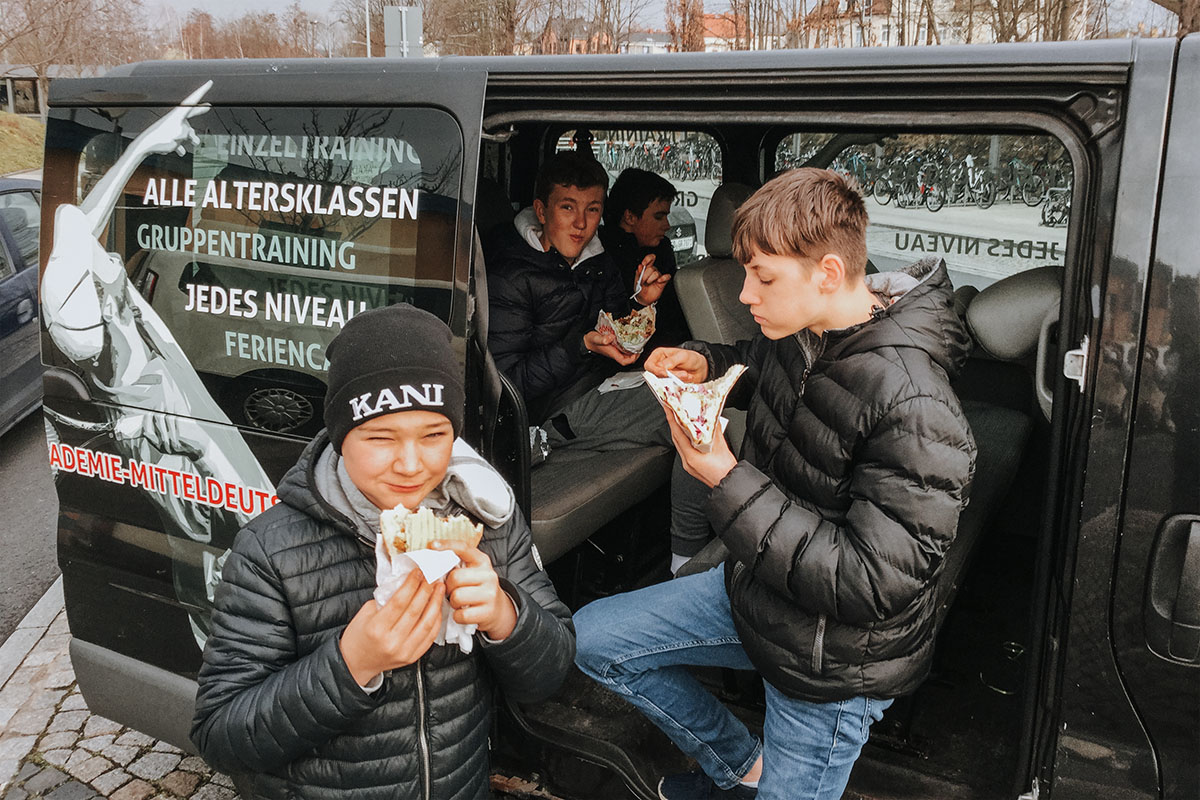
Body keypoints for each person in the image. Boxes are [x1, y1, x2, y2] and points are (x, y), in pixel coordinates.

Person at [573, 168, 977, 800]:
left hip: (831, 659)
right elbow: (763, 367)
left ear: (828, 273)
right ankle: (739, 765)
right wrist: (706, 361)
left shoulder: (915, 405)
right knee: (595, 640)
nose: (746, 294)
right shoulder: (806, 331)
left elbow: (872, 582)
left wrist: (723, 478)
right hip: (756, 589)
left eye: (762, 278)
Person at [191, 304, 575, 800]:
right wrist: (352, 663)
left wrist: (506, 615)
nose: (411, 465)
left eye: (434, 435)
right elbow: (221, 736)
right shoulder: (271, 551)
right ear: (341, 437)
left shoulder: (486, 519)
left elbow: (552, 673)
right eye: (380, 437)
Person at [600, 168, 691, 350]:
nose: (667, 225)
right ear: (630, 217)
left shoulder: (662, 249)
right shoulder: (603, 258)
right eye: (659, 217)